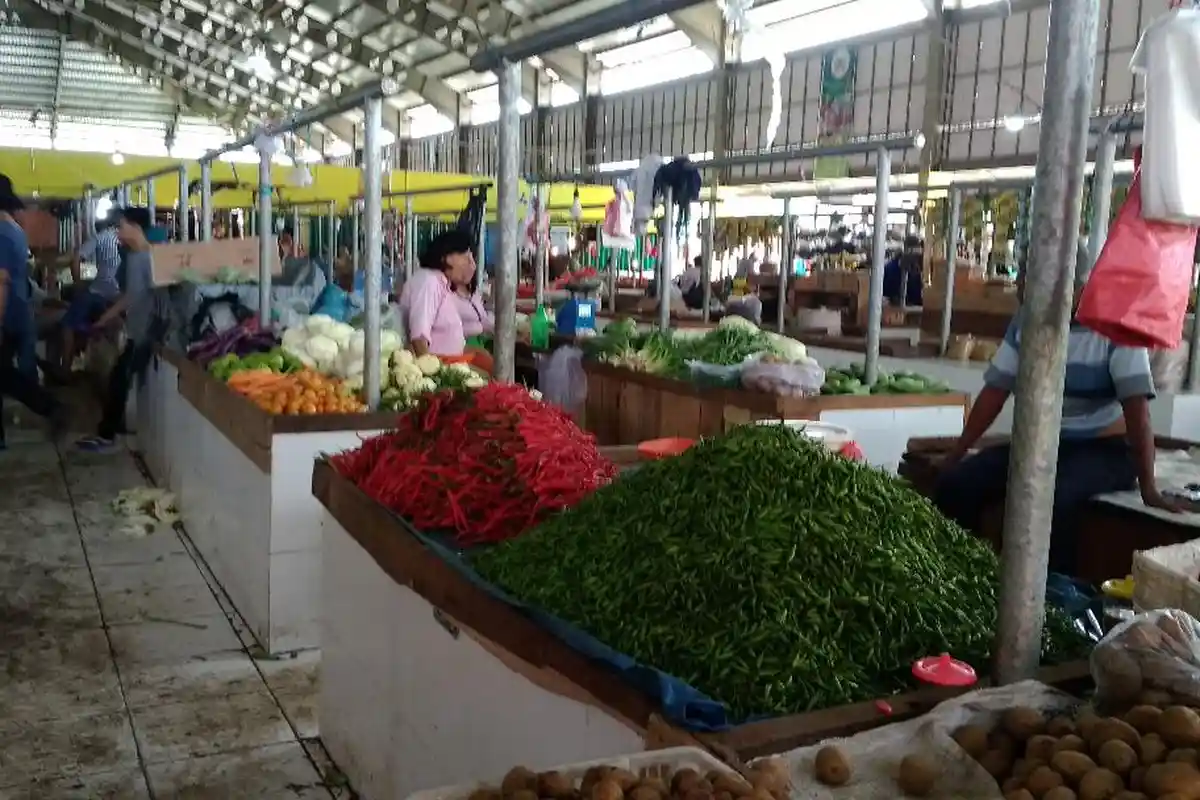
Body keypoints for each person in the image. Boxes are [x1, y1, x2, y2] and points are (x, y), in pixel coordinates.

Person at [934, 246, 1180, 576]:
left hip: (1105, 450)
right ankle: (960, 578)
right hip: (1043, 443)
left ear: (1081, 285)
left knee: (1055, 499)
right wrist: (956, 454)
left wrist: (1148, 485)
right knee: (957, 484)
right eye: (1026, 281)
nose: (1028, 290)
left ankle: (1053, 598)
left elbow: (1137, 411)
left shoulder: (1115, 324)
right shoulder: (1027, 321)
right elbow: (995, 392)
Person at [76, 207, 156, 453]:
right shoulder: (144, 255)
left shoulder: (142, 257)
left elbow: (130, 297)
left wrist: (106, 318)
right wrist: (106, 318)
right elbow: (131, 296)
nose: (118, 232)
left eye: (121, 226)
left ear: (135, 226)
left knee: (119, 379)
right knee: (119, 379)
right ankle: (111, 430)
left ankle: (107, 435)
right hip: (142, 329)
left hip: (144, 332)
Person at [0, 174, 65, 444]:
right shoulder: (13, 230)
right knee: (4, 373)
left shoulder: (2, 234)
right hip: (17, 311)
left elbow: (1, 281)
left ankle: (50, 406)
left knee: (7, 374)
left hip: (6, 313)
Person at [60, 216, 122, 374]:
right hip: (119, 295)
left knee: (68, 324)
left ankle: (65, 369)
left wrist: (78, 284)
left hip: (99, 290)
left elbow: (75, 260)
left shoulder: (99, 237)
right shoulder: (124, 239)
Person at [398, 230, 474, 358]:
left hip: (449, 364)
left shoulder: (441, 283)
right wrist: (432, 374)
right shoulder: (429, 281)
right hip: (438, 367)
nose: (472, 264)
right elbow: (419, 338)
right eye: (467, 257)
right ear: (448, 258)